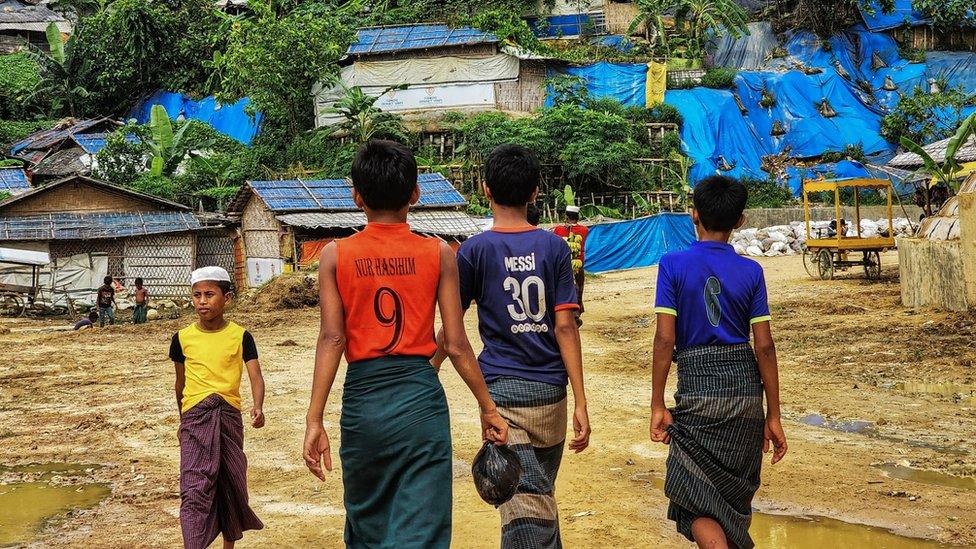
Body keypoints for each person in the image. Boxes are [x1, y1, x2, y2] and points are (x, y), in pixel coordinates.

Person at [302, 139, 508, 549]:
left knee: (368, 523)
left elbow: (332, 338)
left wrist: (314, 419)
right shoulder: (439, 253)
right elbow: (454, 342)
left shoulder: (335, 256)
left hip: (364, 405)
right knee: (423, 527)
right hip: (420, 404)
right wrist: (487, 407)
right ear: (415, 194)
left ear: (356, 196)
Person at [433, 144, 590, 548]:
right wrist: (581, 401)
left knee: (530, 508)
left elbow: (452, 329)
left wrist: (427, 368)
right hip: (551, 394)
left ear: (485, 190)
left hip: (501, 394)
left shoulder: (473, 251)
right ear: (535, 193)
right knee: (534, 502)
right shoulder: (554, 247)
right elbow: (566, 328)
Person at [650, 175, 787, 549]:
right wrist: (772, 415)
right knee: (730, 499)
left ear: (693, 215)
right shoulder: (751, 272)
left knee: (695, 499)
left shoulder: (673, 265)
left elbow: (665, 338)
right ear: (740, 222)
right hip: (745, 396)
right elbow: (765, 348)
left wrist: (657, 403)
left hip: (697, 395)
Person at [169, 266, 265, 549]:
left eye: (210, 294)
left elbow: (256, 375)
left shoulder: (241, 336)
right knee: (194, 488)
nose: (202, 301)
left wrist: (258, 406)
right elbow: (180, 385)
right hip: (195, 418)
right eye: (197, 295)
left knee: (231, 483)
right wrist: (183, 421)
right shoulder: (182, 338)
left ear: (228, 298)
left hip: (228, 417)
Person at [553, 205, 588, 325]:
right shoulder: (584, 230)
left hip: (563, 264)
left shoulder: (558, 230)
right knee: (579, 288)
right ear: (577, 217)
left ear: (566, 217)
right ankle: (577, 311)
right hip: (578, 264)